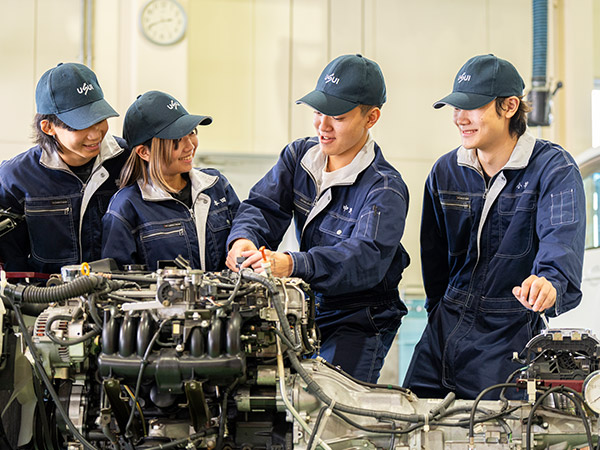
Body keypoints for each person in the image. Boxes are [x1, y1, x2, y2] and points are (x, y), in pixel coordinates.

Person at [403, 54, 585, 399]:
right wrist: (437, 312)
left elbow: (561, 240)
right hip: (442, 332)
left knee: (495, 432)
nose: (459, 118)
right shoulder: (446, 172)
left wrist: (549, 283)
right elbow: (435, 259)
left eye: (472, 107)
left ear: (510, 106)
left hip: (508, 335)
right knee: (410, 422)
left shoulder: (553, 169)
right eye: (456, 107)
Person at [225, 54, 410, 383]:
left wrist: (292, 264)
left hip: (361, 318)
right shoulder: (299, 156)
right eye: (317, 111)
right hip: (310, 307)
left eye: (337, 116)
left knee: (334, 412)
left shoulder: (385, 188)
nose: (322, 125)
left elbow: (364, 258)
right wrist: (243, 240)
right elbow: (263, 207)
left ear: (372, 117)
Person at [0, 62, 129, 275]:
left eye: (99, 118)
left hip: (120, 296)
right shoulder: (15, 178)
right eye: (81, 125)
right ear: (48, 127)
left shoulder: (129, 160)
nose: (96, 134)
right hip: (45, 299)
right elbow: (14, 263)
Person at [101, 91, 240, 271]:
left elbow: (244, 239)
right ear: (144, 152)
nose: (190, 146)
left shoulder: (216, 185)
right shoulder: (125, 208)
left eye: (192, 133)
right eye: (176, 139)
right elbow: (118, 284)